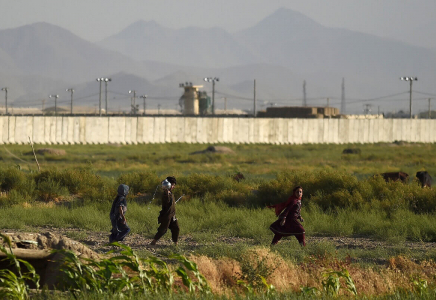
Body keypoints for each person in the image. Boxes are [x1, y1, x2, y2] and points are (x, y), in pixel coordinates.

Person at [150, 176, 179, 246]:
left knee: (176, 228)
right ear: (168, 184)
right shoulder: (166, 194)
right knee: (163, 229)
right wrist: (167, 193)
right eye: (173, 185)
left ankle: (176, 243)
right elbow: (166, 200)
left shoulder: (171, 194)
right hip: (167, 215)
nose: (173, 187)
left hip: (172, 215)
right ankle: (153, 241)